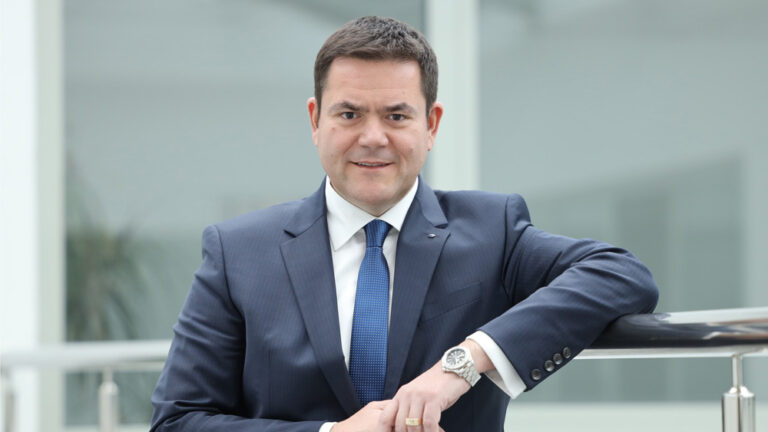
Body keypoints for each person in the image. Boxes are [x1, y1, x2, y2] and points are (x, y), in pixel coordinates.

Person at [150, 16, 658, 432]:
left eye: (396, 116)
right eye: (349, 114)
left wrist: (464, 362)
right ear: (315, 120)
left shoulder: (492, 230)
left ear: (431, 125)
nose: (373, 137)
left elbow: (620, 274)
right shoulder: (238, 253)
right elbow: (178, 421)